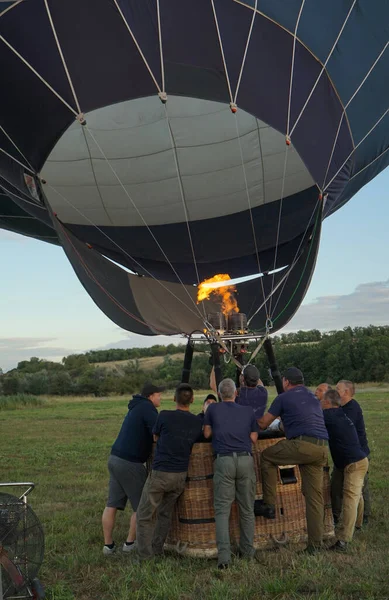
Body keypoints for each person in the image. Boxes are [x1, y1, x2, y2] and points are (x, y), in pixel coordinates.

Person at [257, 367, 329, 553]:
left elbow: (263, 423)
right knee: (314, 498)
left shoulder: (284, 397)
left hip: (302, 445)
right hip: (321, 449)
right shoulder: (313, 397)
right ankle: (315, 545)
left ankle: (269, 504)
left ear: (286, 382)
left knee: (266, 457)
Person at [136, 384, 202, 560]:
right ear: (193, 400)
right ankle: (158, 549)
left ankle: (145, 555)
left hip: (161, 473)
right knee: (165, 514)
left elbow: (155, 437)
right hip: (180, 476)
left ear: (174, 399)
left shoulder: (164, 415)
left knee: (145, 515)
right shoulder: (197, 421)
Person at [102, 382, 164, 555]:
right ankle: (130, 544)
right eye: (159, 395)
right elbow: (157, 433)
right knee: (142, 506)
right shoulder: (148, 409)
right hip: (130, 462)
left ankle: (108, 546)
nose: (161, 398)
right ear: (151, 396)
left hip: (114, 458)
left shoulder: (136, 407)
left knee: (112, 504)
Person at [204, 378, 258, 569]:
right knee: (247, 509)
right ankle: (248, 552)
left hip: (224, 460)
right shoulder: (248, 411)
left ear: (219, 394)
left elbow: (206, 434)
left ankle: (224, 558)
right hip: (245, 459)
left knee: (222, 511)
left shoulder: (212, 409)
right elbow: (253, 437)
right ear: (236, 393)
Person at [321, 389, 369, 551]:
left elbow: (310, 419)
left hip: (354, 464)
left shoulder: (329, 415)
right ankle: (356, 523)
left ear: (327, 402)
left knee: (350, 498)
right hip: (347, 463)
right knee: (336, 489)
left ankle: (343, 540)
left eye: (321, 400)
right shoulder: (340, 413)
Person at [331, 380, 370, 525]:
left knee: (359, 489)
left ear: (346, 392)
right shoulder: (342, 408)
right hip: (343, 457)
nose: (335, 392)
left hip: (357, 455)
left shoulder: (352, 408)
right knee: (336, 486)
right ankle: (335, 516)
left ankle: (363, 518)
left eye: (338, 389)